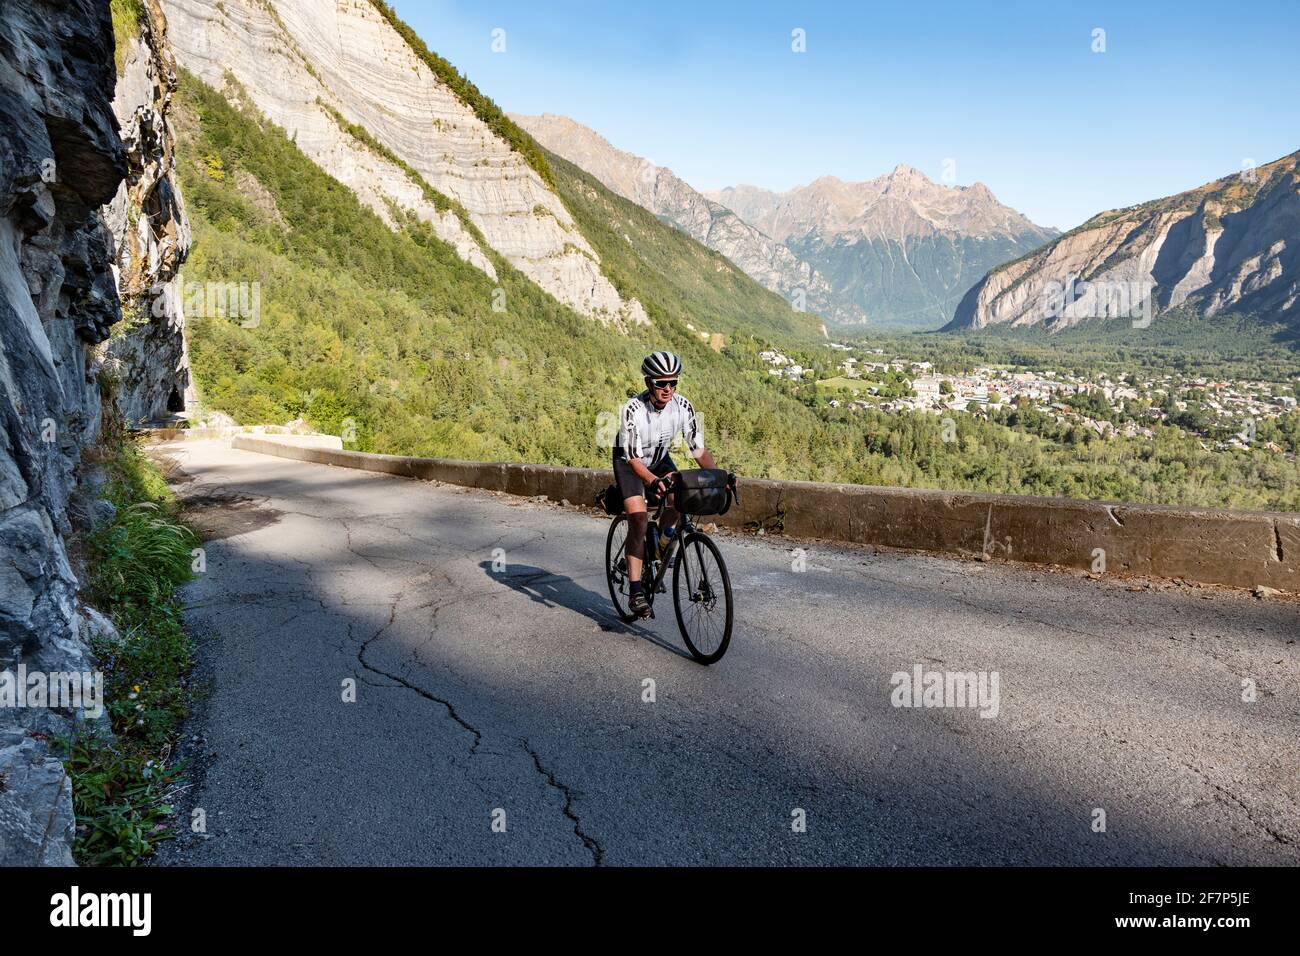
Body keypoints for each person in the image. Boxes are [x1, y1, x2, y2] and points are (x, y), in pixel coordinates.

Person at [613, 351, 718, 617]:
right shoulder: (633, 410)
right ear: (649, 382)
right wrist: (652, 481)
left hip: (659, 459)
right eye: (661, 383)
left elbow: (697, 450)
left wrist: (718, 476)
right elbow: (635, 459)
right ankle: (636, 590)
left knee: (678, 500)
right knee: (637, 518)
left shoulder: (683, 406)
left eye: (673, 383)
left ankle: (659, 543)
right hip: (630, 463)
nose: (667, 389)